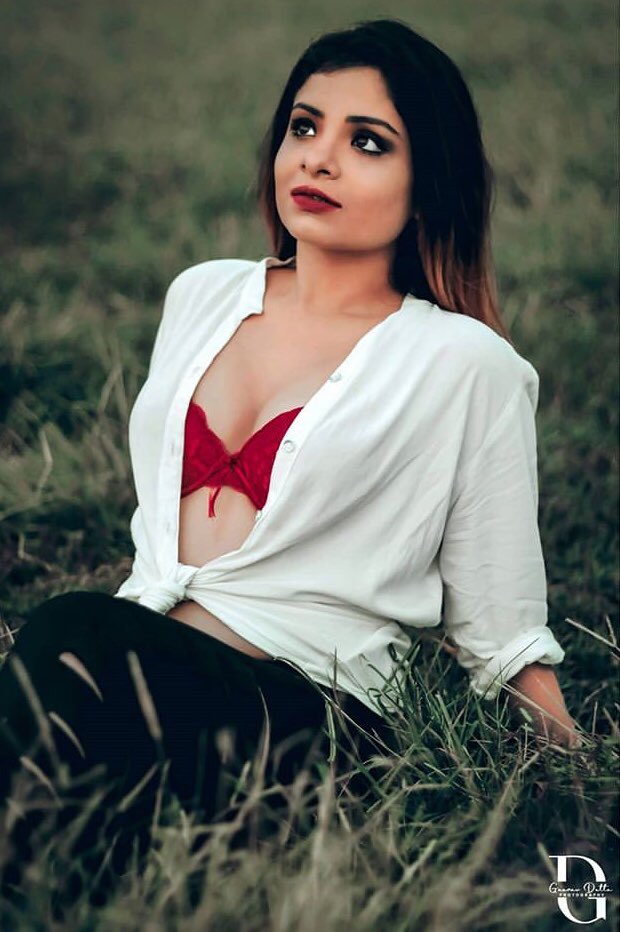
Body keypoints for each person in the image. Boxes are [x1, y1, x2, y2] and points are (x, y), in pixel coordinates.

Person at [0, 15, 582, 889]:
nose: (318, 159)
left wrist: (574, 788)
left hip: (312, 718)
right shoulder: (202, 294)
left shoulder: (466, 364)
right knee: (77, 697)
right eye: (304, 127)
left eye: (367, 141)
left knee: (69, 632)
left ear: (429, 182)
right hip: (142, 663)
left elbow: (500, 625)